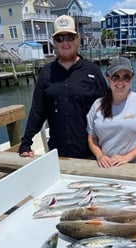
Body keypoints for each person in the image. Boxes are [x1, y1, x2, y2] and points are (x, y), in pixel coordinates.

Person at [18, 15, 108, 158]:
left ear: (77, 39)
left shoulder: (92, 71)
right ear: (54, 41)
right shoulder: (45, 73)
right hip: (58, 153)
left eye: (70, 37)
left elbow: (107, 109)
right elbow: (37, 111)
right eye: (60, 38)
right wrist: (26, 142)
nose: (65, 42)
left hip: (92, 152)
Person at [86, 56, 136, 167]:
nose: (120, 82)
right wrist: (100, 156)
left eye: (126, 77)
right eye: (115, 77)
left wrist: (127, 157)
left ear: (132, 77)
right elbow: (91, 138)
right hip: (106, 166)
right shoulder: (97, 104)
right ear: (107, 78)